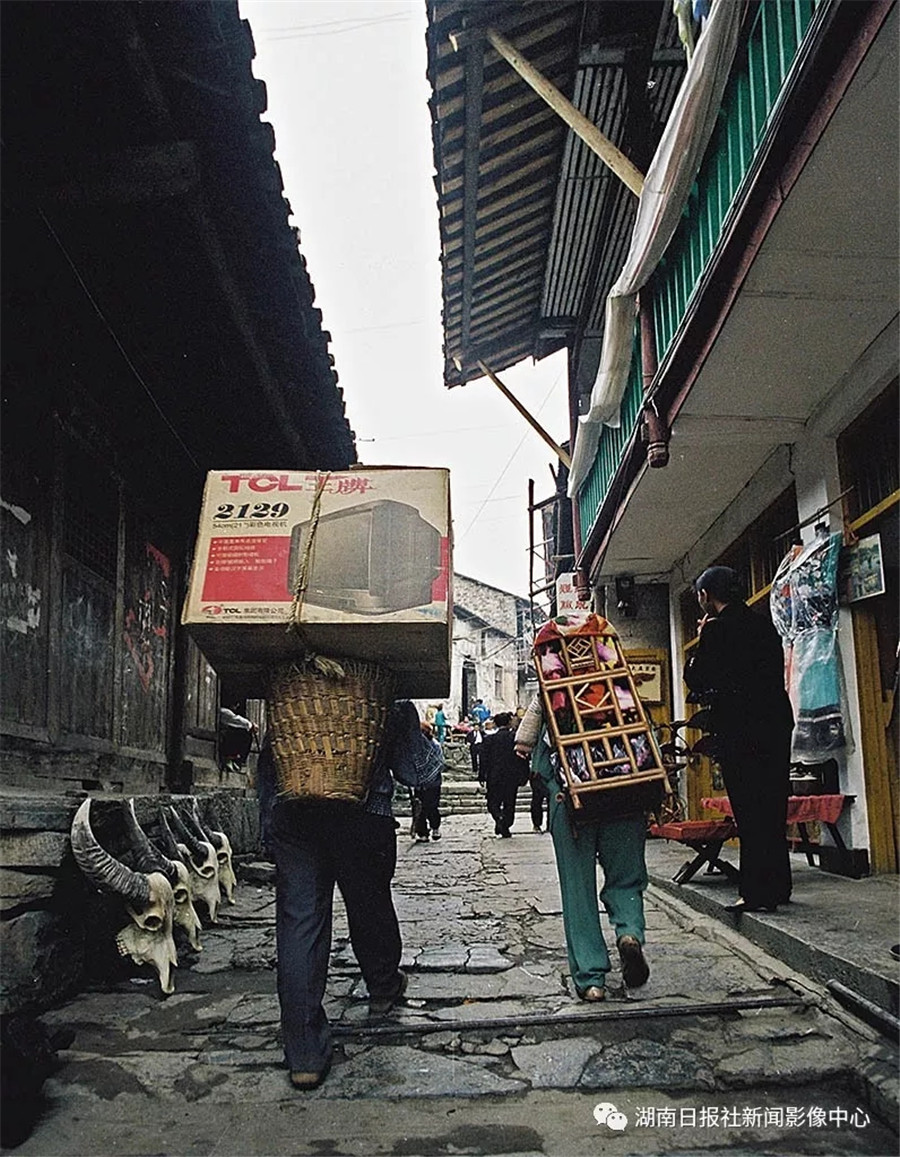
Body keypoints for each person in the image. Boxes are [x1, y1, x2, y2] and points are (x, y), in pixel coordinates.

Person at [268, 699, 442, 1091]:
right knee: (370, 905)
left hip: (295, 812)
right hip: (364, 814)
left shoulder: (290, 688)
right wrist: (426, 739)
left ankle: (305, 1056)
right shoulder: (384, 694)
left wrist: (270, 821)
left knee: (300, 923)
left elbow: (269, 764)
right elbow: (417, 772)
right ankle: (382, 985)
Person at [515, 695, 650, 1001]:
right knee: (626, 879)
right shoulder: (619, 688)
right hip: (625, 796)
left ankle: (592, 980)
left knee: (578, 891)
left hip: (572, 802)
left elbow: (530, 756)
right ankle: (629, 932)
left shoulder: (552, 695)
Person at [683, 565, 794, 913]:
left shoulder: (717, 630)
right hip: (775, 725)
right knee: (773, 806)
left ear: (706, 596)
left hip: (740, 729)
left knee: (749, 810)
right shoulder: (763, 623)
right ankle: (778, 886)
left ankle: (757, 893)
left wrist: (701, 643)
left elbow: (698, 681)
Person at [479, 712, 528, 838]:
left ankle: (499, 819)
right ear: (509, 722)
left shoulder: (489, 739)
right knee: (509, 802)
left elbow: (483, 759)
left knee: (492, 802)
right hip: (512, 776)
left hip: (494, 775)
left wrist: (482, 775)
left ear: (495, 723)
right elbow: (523, 757)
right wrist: (524, 774)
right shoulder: (515, 738)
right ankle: (505, 823)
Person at [412, 722, 444, 842]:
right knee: (420, 808)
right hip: (419, 782)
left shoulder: (435, 745)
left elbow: (439, 762)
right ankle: (422, 832)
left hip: (433, 782)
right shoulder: (415, 746)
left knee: (432, 806)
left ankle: (435, 827)